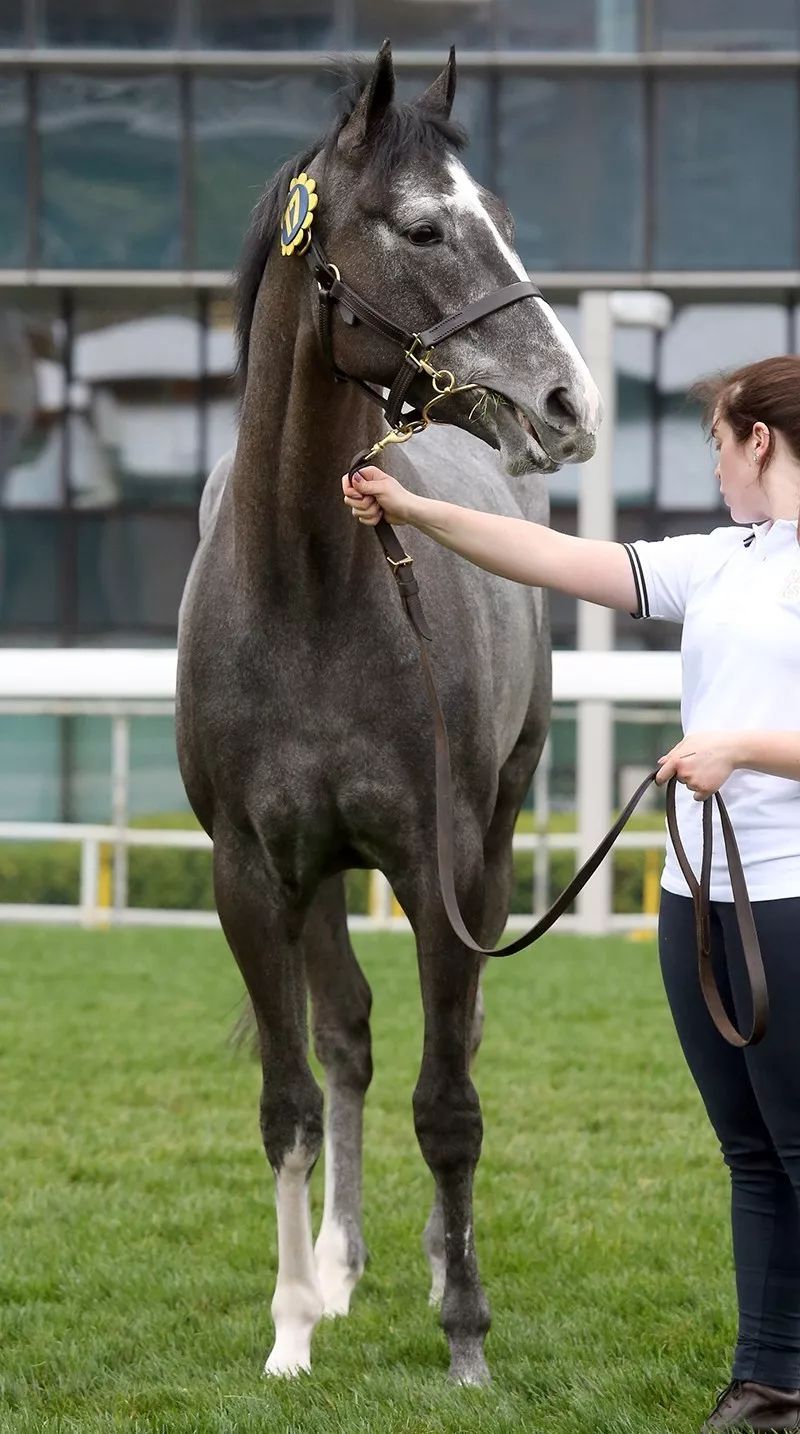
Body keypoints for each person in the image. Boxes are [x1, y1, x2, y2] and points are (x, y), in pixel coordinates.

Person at [342, 355, 800, 1433]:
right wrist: (413, 506)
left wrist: (734, 744)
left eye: (717, 444)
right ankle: (770, 1380)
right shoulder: (729, 559)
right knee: (750, 1152)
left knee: (794, 1150)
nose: (717, 466)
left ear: (758, 442)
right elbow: (553, 557)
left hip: (786, 897)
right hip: (696, 893)